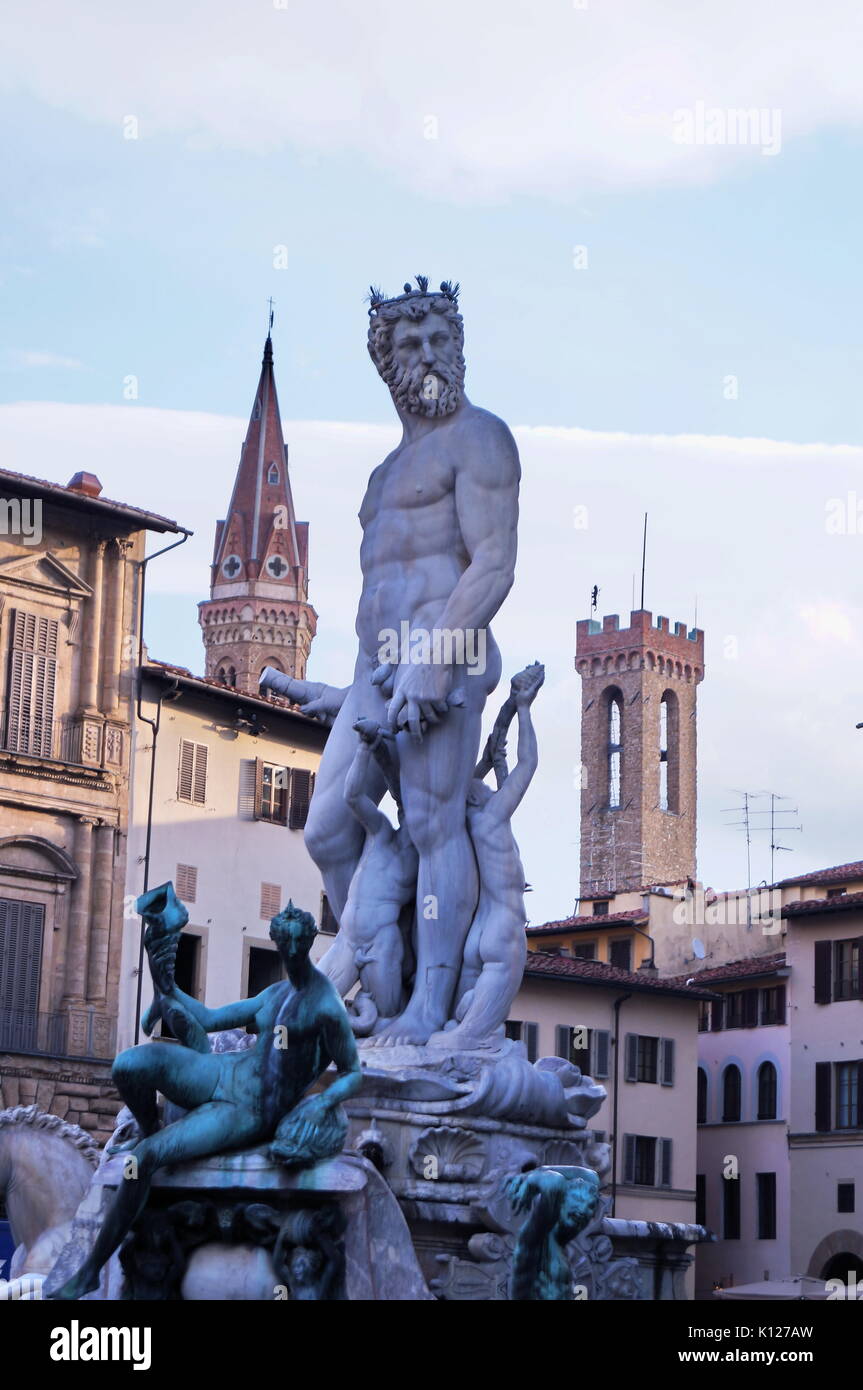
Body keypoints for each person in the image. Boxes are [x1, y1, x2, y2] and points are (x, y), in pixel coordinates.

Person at [48, 896, 361, 1300]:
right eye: (282, 946)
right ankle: (149, 1126)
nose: (288, 954)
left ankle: (89, 1272)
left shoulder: (326, 1006)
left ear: (306, 945)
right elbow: (211, 1019)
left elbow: (353, 1072)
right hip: (223, 1071)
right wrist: (169, 987)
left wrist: (323, 1101)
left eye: (293, 947)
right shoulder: (275, 993)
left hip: (249, 1108)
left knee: (142, 1161)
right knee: (128, 1065)